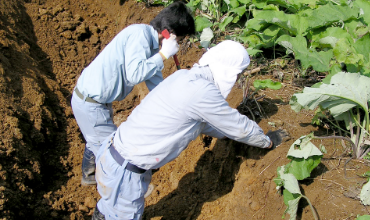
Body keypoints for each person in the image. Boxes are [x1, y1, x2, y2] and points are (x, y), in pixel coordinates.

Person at [92, 40, 287, 220]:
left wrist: (226, 135)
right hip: (125, 175)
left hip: (112, 158)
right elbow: (240, 127)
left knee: (108, 209)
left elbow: (203, 123)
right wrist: (267, 141)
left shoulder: (182, 76)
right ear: (229, 73)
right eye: (238, 75)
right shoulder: (203, 92)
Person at [71, 1, 195, 186]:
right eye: (180, 39)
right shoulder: (140, 35)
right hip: (90, 104)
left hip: (99, 102)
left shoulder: (151, 44)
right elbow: (135, 73)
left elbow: (156, 85)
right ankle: (115, 194)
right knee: (117, 155)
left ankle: (89, 176)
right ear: (168, 33)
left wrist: (177, 104)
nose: (178, 44)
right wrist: (164, 55)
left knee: (96, 138)